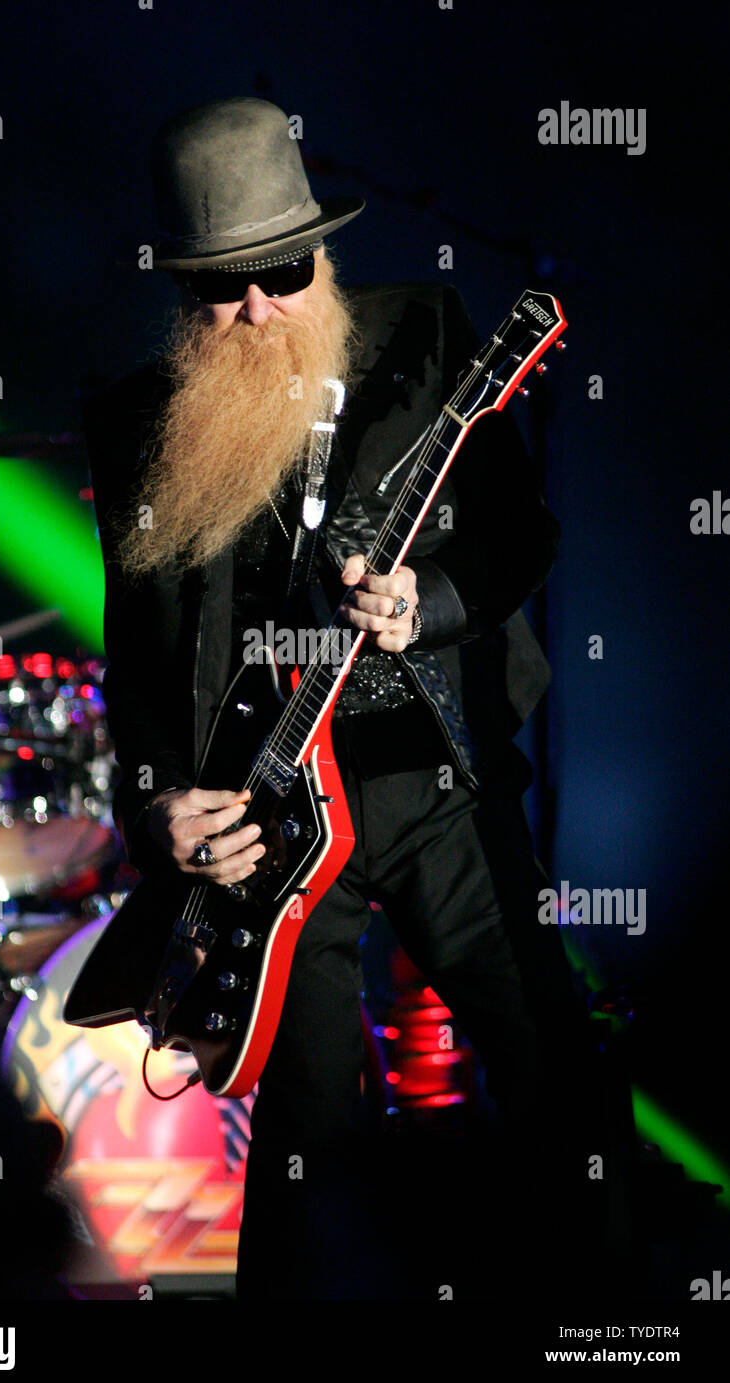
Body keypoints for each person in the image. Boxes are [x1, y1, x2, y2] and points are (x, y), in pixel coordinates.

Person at [81, 96, 606, 1299]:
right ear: (179, 290)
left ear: (320, 251)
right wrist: (153, 807)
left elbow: (524, 531)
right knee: (307, 1140)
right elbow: (142, 661)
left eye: (279, 268)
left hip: (424, 779)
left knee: (548, 1070)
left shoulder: (425, 340)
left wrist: (432, 601)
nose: (257, 305)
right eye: (224, 285)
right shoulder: (135, 428)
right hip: (269, 823)